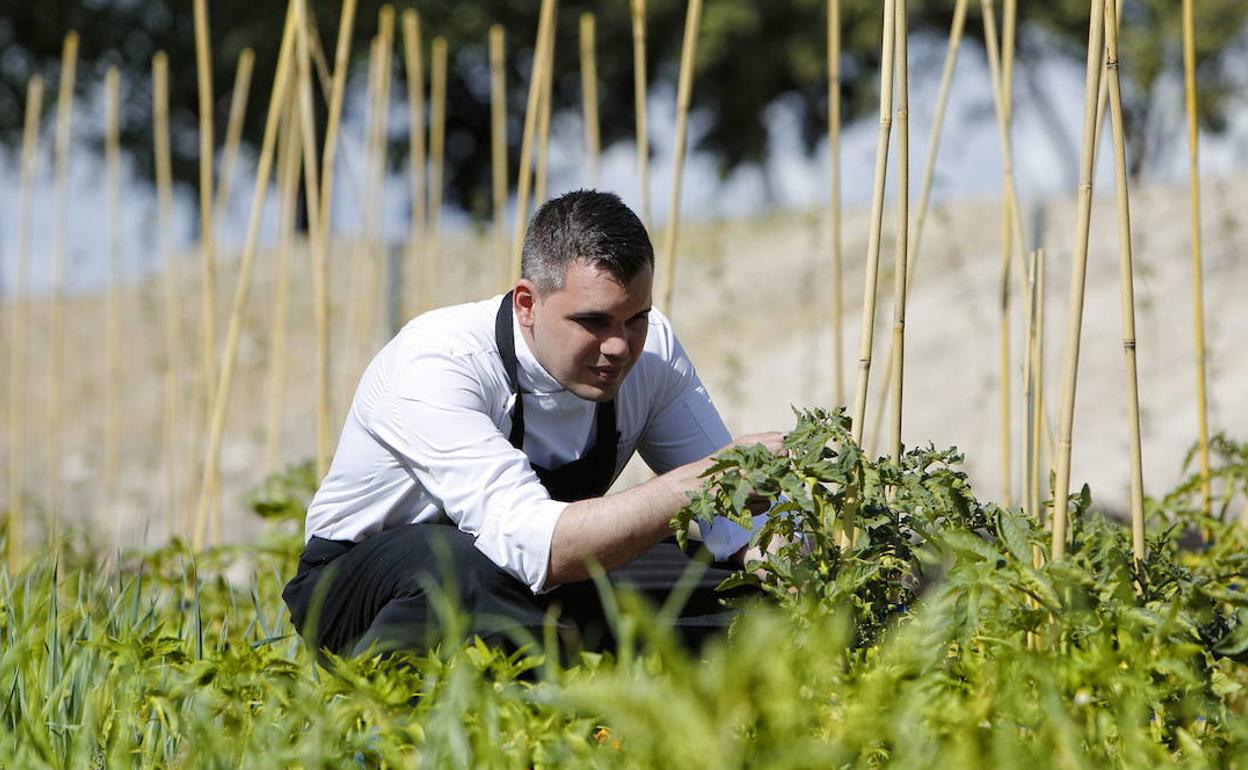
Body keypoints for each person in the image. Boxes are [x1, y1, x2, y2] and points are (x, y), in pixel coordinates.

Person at [282, 189, 783, 658]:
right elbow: (543, 548)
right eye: (593, 322)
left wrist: (796, 569)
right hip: (362, 585)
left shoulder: (652, 354)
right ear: (527, 304)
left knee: (738, 595)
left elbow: (739, 523)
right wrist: (699, 483)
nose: (620, 347)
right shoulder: (436, 362)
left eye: (636, 319)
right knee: (461, 572)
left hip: (528, 577)